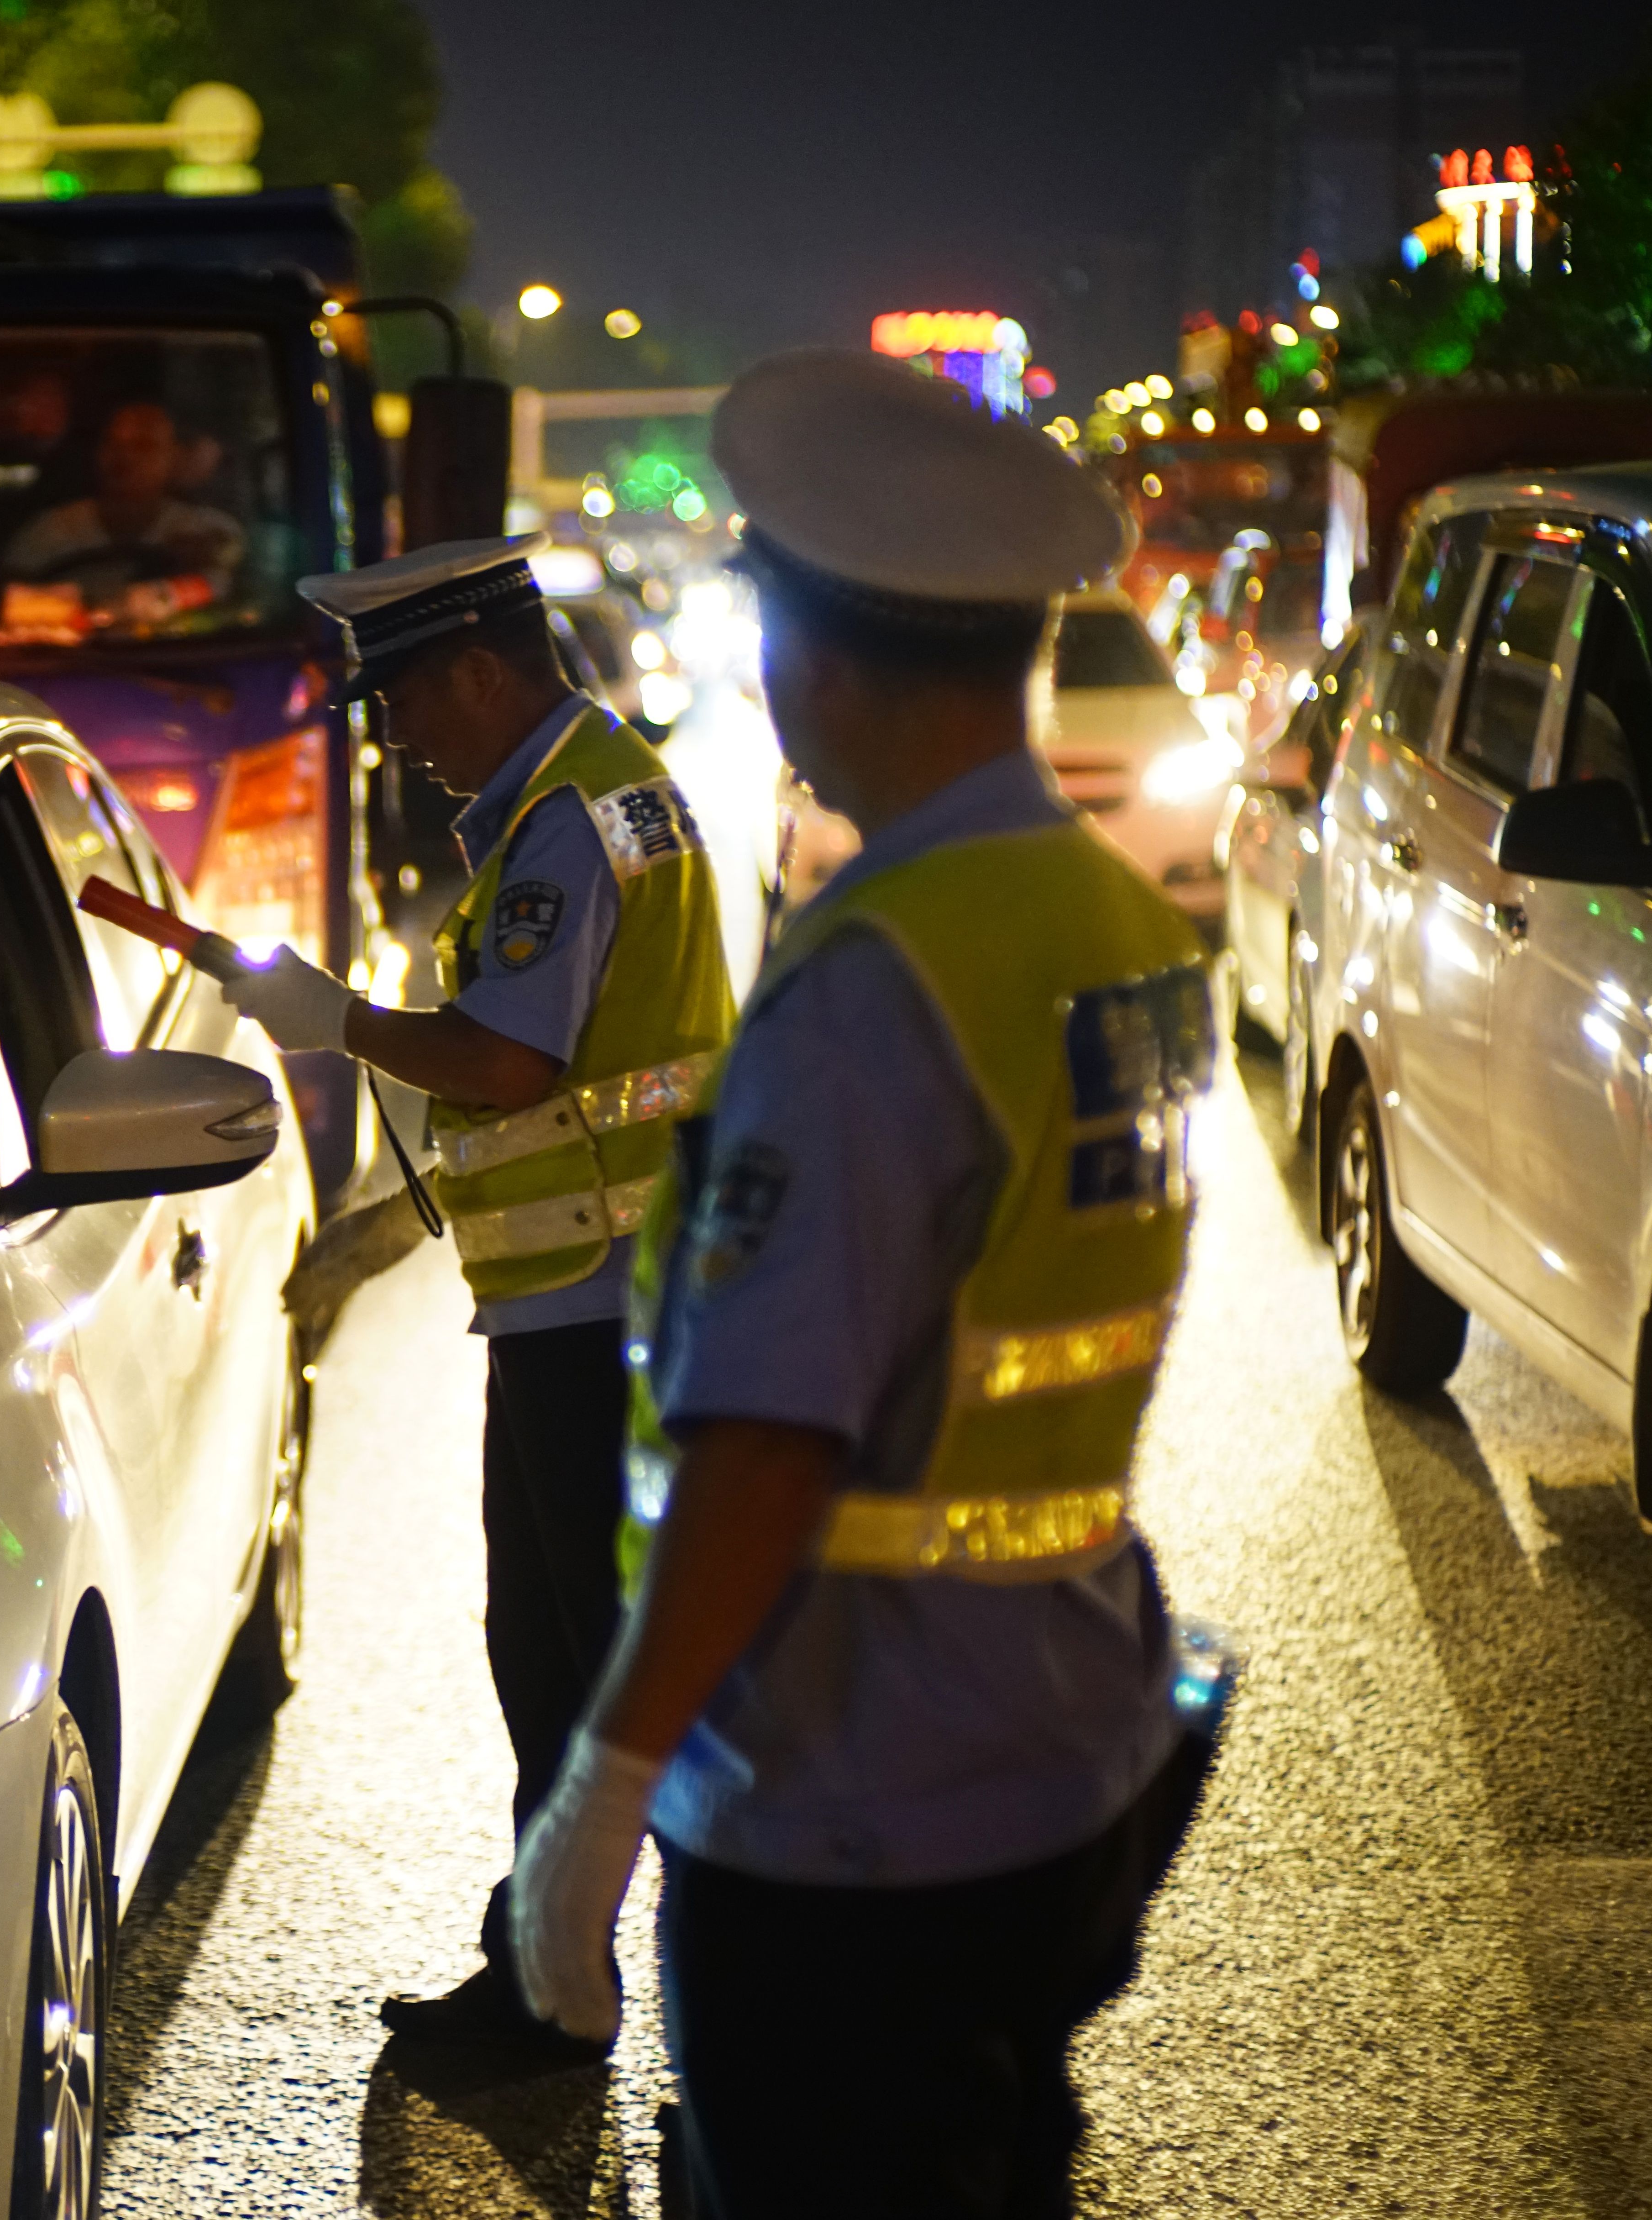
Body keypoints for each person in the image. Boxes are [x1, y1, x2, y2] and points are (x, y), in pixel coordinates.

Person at [501, 350, 1220, 2218]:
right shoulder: (1114, 923)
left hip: (847, 1804)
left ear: (810, 652)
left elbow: (763, 1442)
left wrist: (598, 1792)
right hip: (1061, 1740)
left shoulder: (868, 980)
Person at [215, 535, 733, 2068]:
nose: (391, 736)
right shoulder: (607, 782)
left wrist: (339, 1024)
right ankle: (575, 1976)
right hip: (606, 1288)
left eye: (402, 700)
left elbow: (512, 1062)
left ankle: (579, 1993)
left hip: (591, 1307)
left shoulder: (565, 823)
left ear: (481, 672)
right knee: (578, 1651)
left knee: (577, 1659)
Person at [1, 400, 245, 605]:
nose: (124, 457)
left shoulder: (206, 531)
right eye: (113, 444)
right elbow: (9, 604)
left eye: (144, 446)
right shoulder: (48, 534)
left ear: (174, 457)